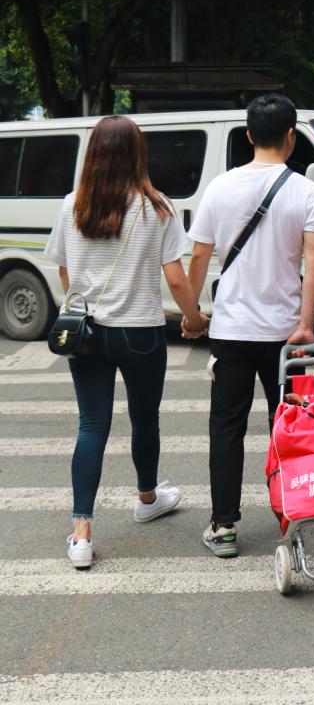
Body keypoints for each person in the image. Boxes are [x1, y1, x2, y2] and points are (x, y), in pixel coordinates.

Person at [45, 116, 208, 569]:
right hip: (139, 331)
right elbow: (175, 278)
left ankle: (81, 534)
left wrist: (80, 303)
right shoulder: (156, 207)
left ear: (93, 153)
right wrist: (194, 320)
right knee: (144, 419)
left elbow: (64, 272)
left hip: (86, 332)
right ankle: (147, 498)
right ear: (139, 154)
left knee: (91, 426)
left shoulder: (72, 205)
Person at [183, 94, 314, 558]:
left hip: (230, 330)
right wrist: (306, 324)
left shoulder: (220, 188)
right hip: (286, 334)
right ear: (292, 136)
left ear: (248, 136)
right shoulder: (307, 192)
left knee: (226, 428)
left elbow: (200, 258)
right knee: (289, 425)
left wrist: (192, 315)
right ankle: (294, 514)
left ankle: (224, 525)